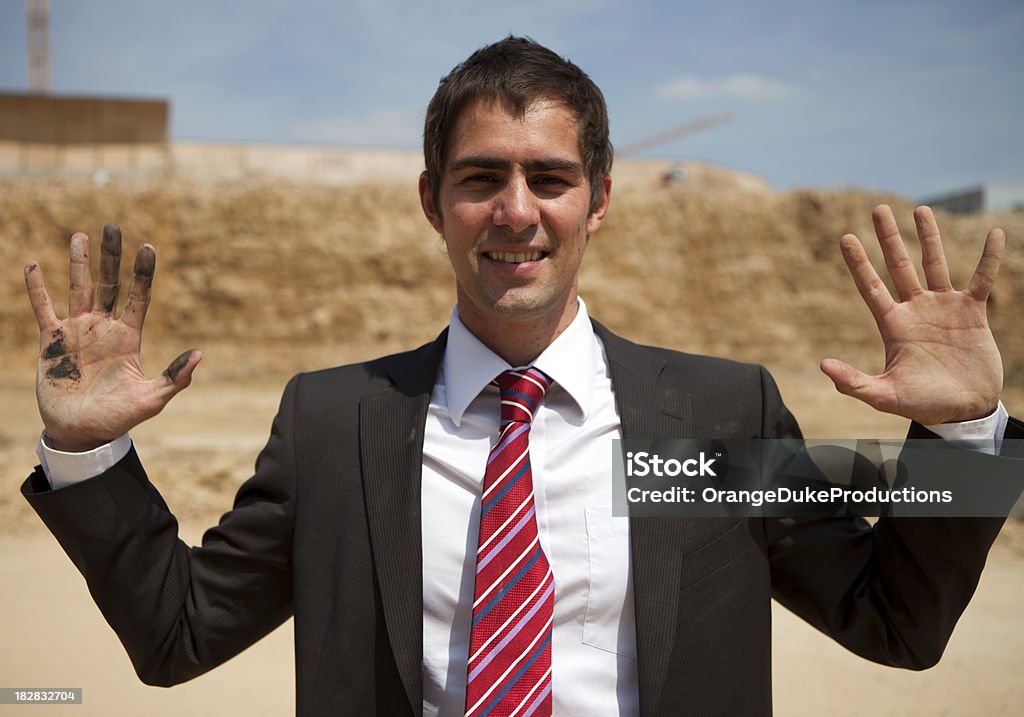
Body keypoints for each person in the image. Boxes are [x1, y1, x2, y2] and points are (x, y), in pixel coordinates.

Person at [20, 36, 1023, 717]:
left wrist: (967, 437)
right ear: (431, 200)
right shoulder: (337, 424)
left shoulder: (709, 421)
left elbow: (896, 624)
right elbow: (178, 637)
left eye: (549, 178)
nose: (515, 211)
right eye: (479, 178)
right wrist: (86, 450)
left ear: (599, 201)